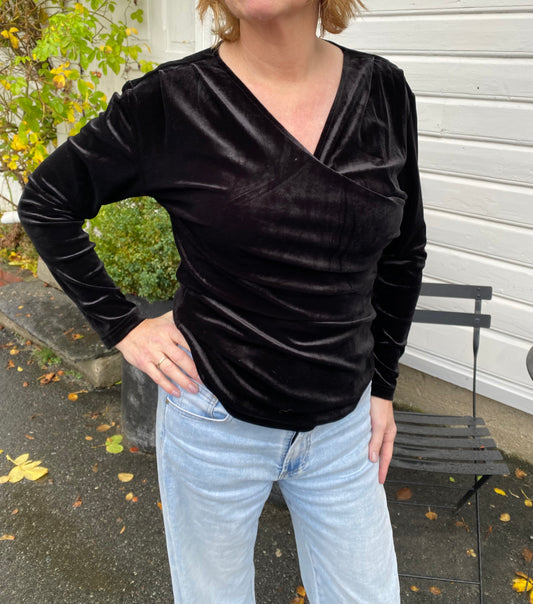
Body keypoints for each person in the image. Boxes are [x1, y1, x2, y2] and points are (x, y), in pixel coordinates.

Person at [18, 0, 426, 601]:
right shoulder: (172, 101)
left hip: (346, 431)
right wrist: (125, 327)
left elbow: (405, 252)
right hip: (214, 421)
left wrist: (384, 387)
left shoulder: (384, 93)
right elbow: (47, 202)